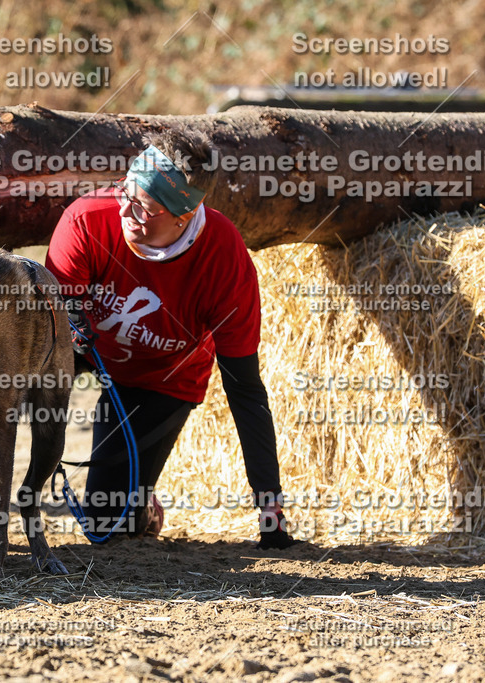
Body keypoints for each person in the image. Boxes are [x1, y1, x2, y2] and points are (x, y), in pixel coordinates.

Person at [45, 141, 297, 549]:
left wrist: (270, 505)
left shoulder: (223, 256)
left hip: (162, 377)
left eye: (144, 208)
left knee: (108, 524)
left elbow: (245, 388)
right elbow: (43, 338)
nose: (125, 211)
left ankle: (142, 504)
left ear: (184, 216)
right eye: (124, 193)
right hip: (83, 346)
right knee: (5, 385)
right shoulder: (88, 220)